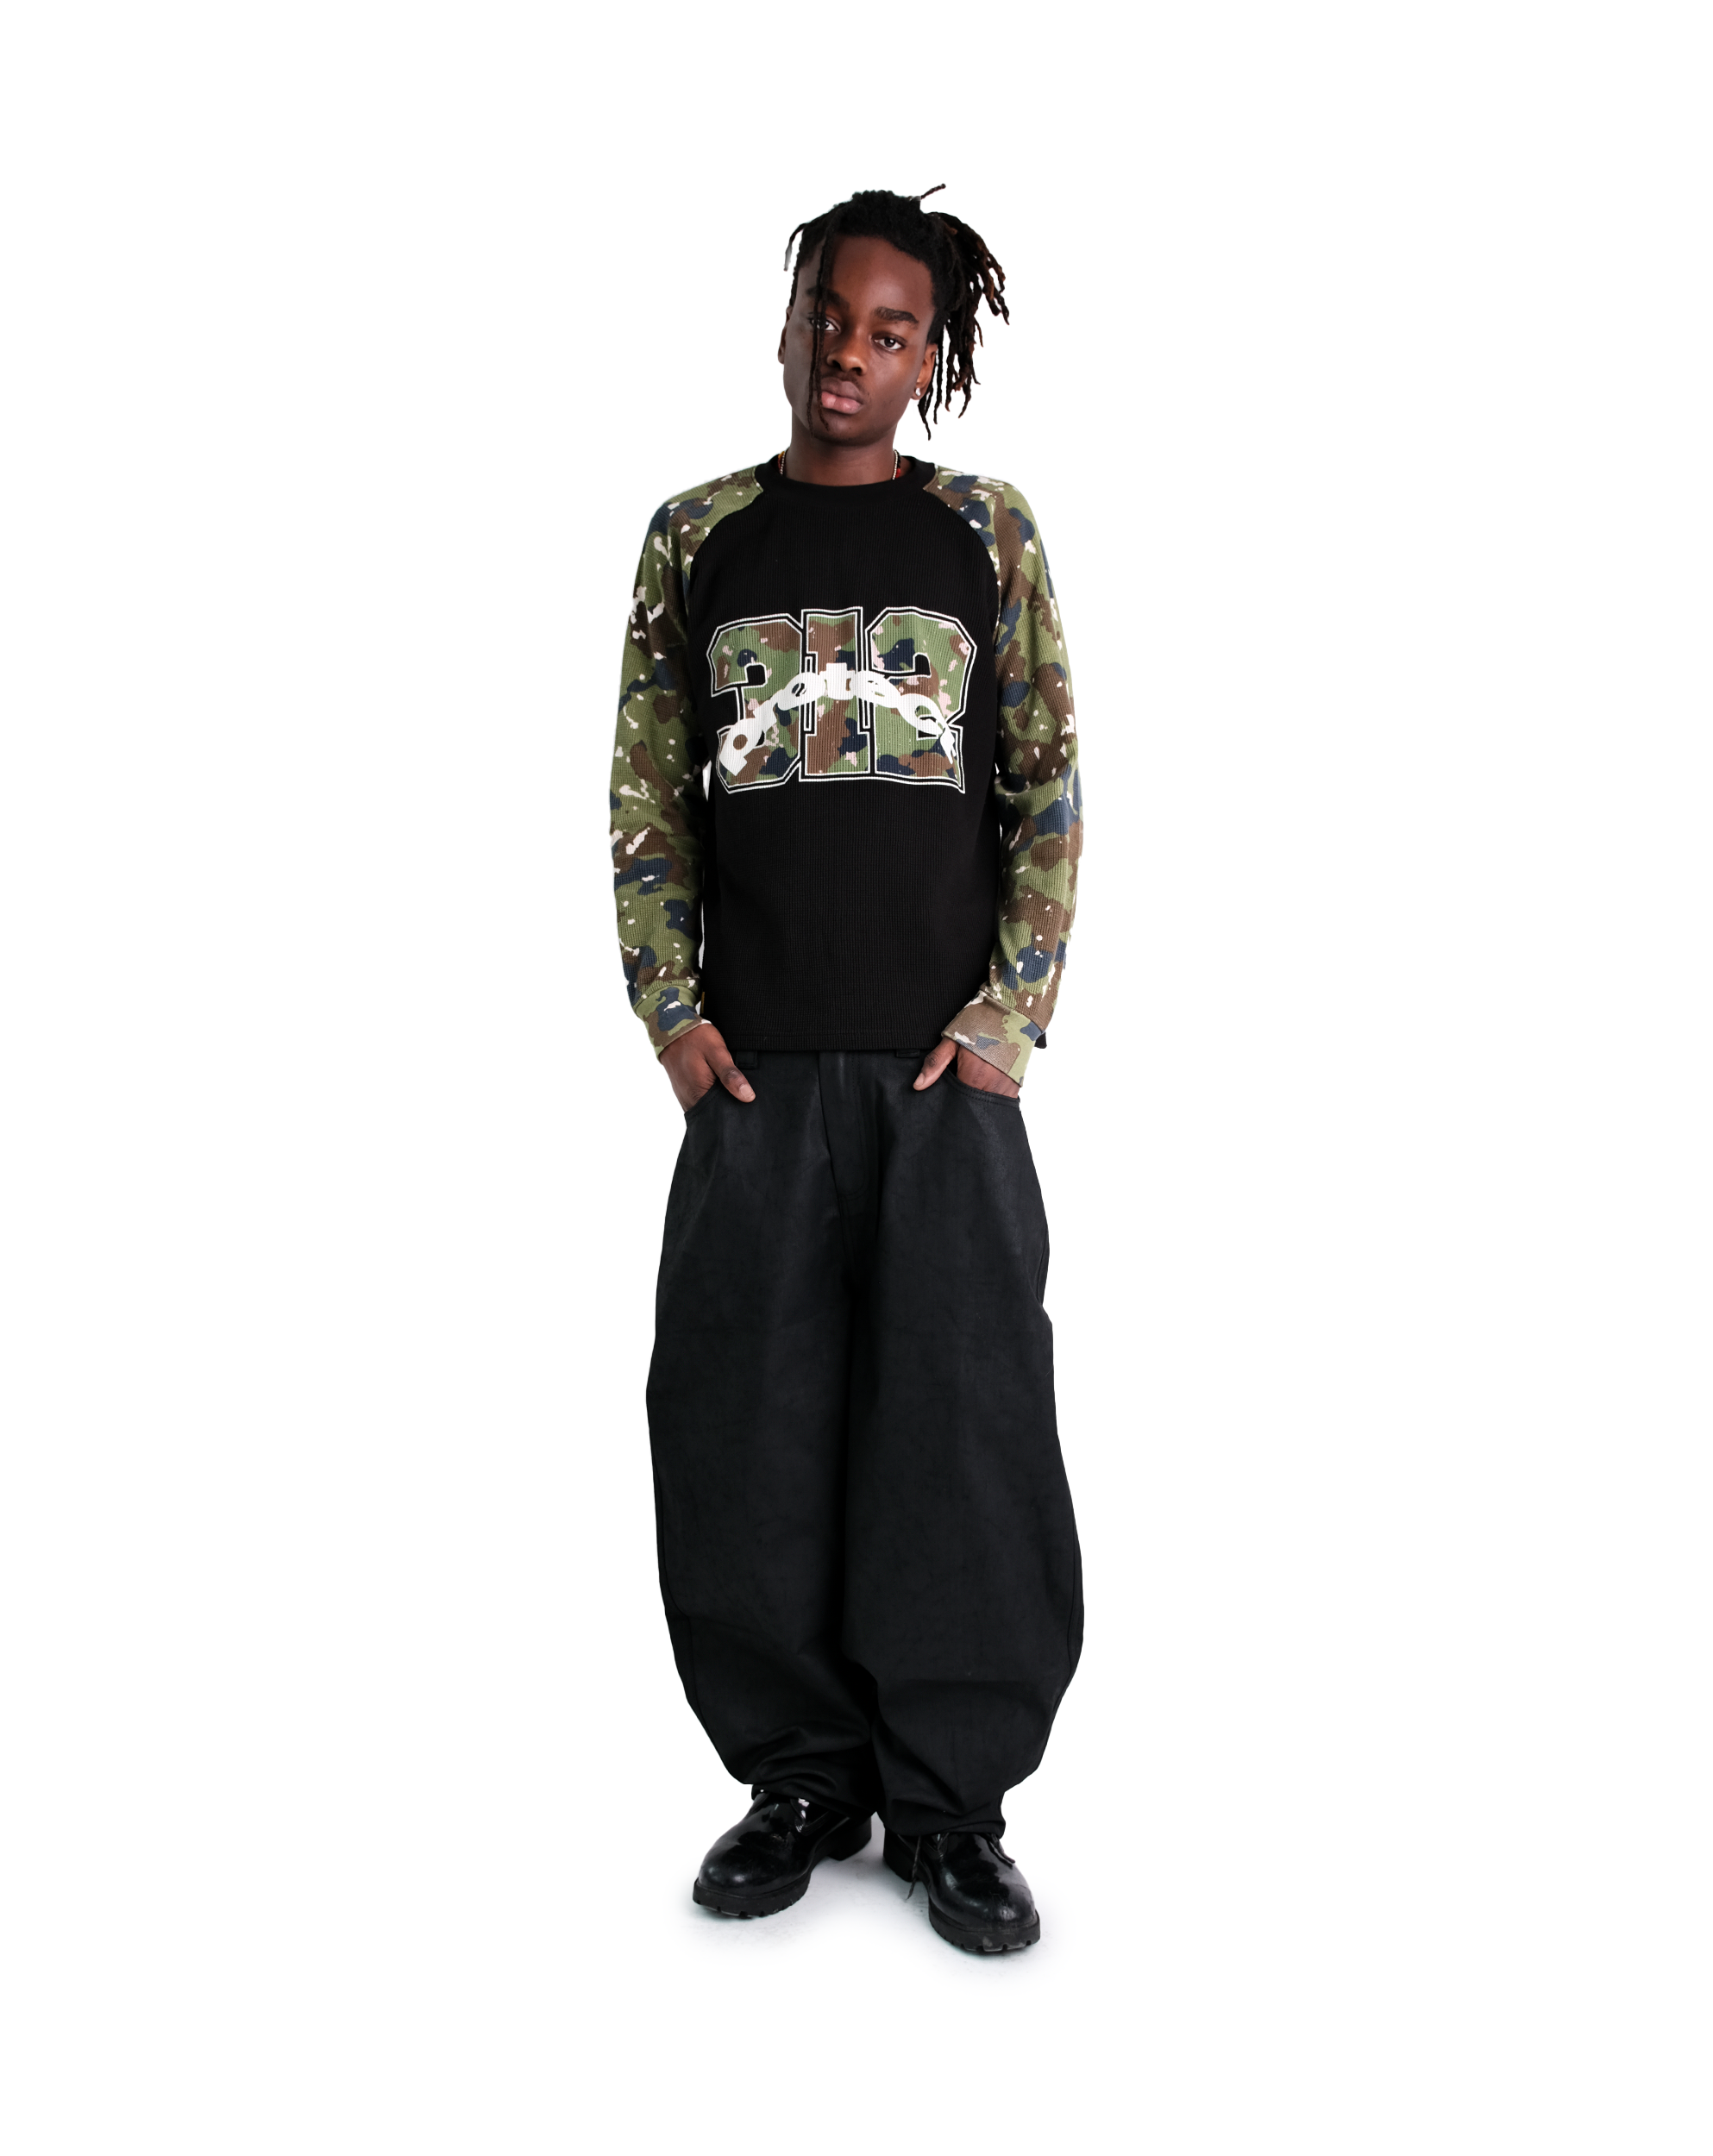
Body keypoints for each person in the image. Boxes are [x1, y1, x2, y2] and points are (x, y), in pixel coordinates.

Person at [609, 187, 1082, 1954]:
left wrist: (1008, 1016)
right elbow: (648, 789)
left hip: (944, 1086)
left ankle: (951, 1804)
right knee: (745, 1425)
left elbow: (1046, 785)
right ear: (789, 314)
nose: (847, 356)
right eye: (828, 316)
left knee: (962, 1431)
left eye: (889, 333)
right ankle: (800, 1775)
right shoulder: (698, 537)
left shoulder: (985, 534)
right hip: (754, 1083)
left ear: (930, 358)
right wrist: (672, 1013)